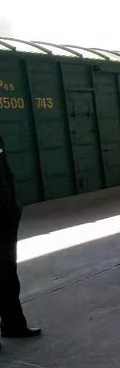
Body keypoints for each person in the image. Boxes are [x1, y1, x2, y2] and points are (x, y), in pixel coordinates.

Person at [0, 136, 41, 345]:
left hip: (5, 215)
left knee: (7, 272)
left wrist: (14, 206)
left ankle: (13, 325)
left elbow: (6, 172)